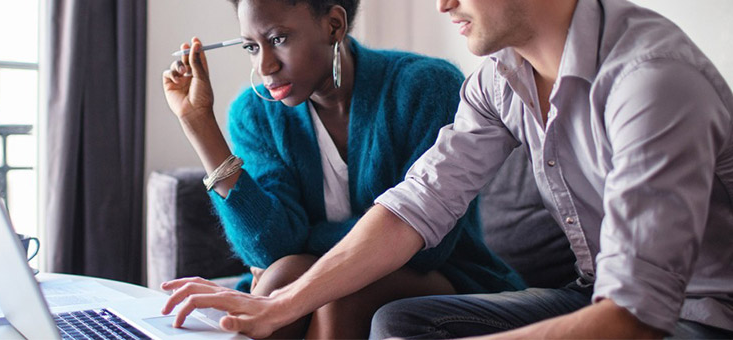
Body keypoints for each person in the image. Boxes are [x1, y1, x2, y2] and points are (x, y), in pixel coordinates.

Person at [161, 0, 733, 338]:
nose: (440, 4)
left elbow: (636, 317)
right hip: (592, 294)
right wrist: (277, 305)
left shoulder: (650, 82)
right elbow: (415, 207)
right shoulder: (501, 79)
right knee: (397, 327)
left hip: (698, 316)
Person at [160, 0, 525, 338]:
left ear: (334, 25)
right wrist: (200, 125)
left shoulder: (425, 86)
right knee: (280, 276)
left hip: (444, 276)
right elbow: (271, 249)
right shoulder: (255, 113)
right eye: (252, 47)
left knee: (341, 296)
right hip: (305, 274)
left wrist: (307, 237)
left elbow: (426, 249)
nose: (264, 66)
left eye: (278, 39)